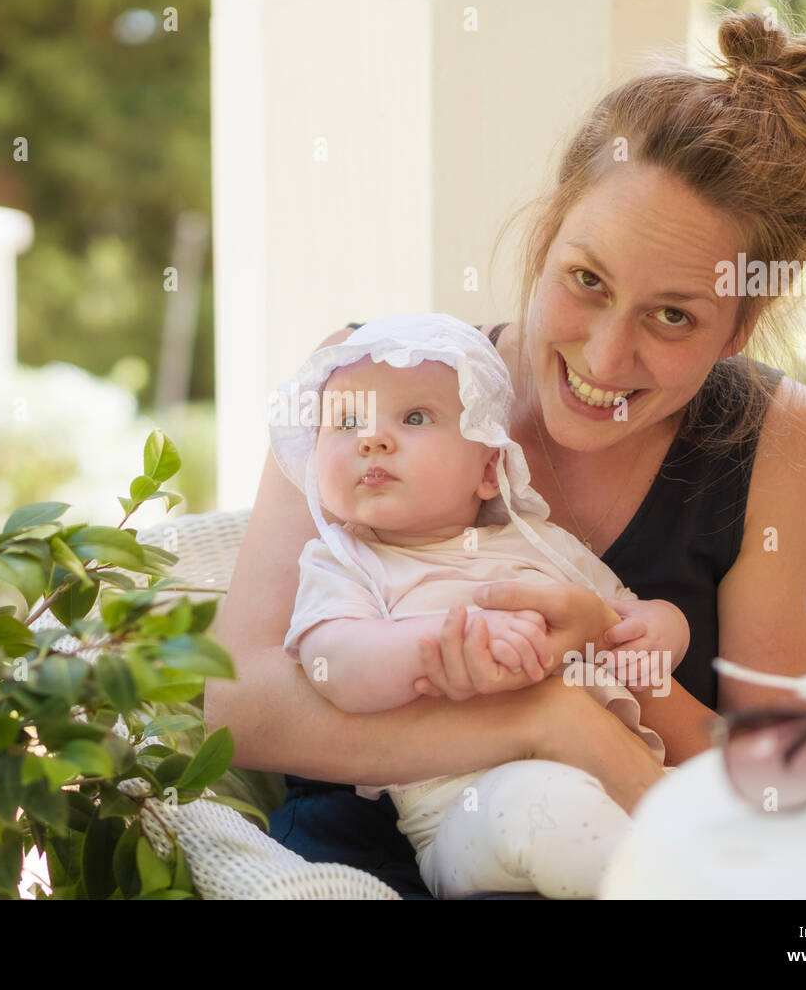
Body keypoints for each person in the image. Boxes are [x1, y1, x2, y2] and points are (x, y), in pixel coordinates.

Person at [204, 10, 806, 898]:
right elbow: (234, 704)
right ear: (546, 232)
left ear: (739, 326)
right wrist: (546, 720)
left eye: (673, 315)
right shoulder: (367, 376)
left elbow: (778, 789)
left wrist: (604, 666)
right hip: (352, 864)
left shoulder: (781, 444)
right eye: (586, 280)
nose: (605, 358)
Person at [269, 311, 685, 897]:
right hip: (469, 813)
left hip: (625, 767)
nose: (372, 438)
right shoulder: (345, 560)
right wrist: (442, 641)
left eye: (415, 417)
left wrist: (667, 625)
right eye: (347, 422)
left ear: (489, 468)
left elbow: (623, 619)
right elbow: (333, 664)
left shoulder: (538, 542)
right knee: (552, 813)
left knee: (724, 811)